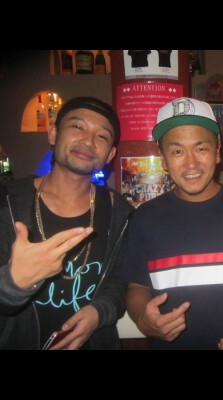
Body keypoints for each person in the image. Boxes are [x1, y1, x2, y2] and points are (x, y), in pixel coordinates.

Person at [120, 97, 223, 350]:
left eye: (201, 148)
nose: (191, 163)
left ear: (218, 151)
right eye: (177, 151)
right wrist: (143, 320)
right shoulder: (144, 218)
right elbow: (136, 285)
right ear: (163, 159)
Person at [0, 96, 133, 350]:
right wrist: (13, 284)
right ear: (53, 133)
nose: (88, 141)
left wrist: (99, 312)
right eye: (77, 126)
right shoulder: (6, 204)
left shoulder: (121, 213)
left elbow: (120, 282)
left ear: (110, 154)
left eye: (101, 136)